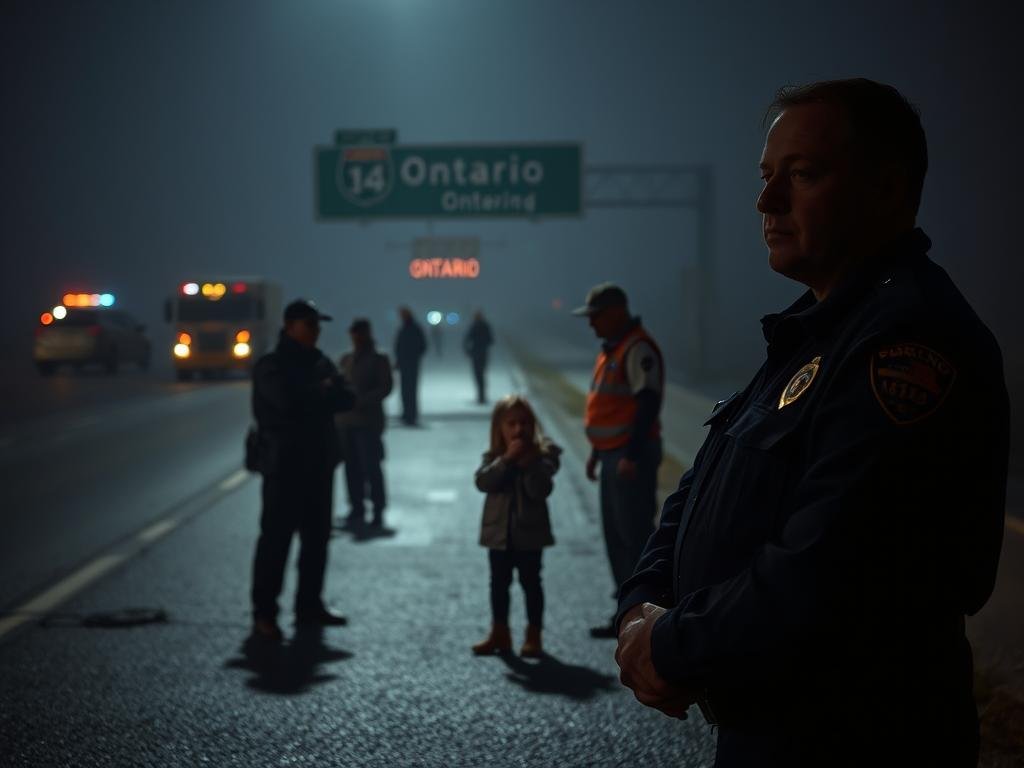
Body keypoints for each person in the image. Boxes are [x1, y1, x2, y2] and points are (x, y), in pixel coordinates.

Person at [614, 79, 1009, 768]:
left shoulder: (907, 343)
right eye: (768, 178)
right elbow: (704, 483)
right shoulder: (816, 330)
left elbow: (827, 568)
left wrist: (670, 644)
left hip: (854, 736)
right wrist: (642, 600)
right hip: (770, 725)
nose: (767, 202)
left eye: (802, 175)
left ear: (887, 190)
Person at [249, 299, 355, 643]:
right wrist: (321, 392)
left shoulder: (319, 361)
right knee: (276, 543)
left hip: (319, 465)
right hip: (284, 467)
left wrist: (321, 392)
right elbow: (287, 404)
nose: (316, 330)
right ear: (290, 325)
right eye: (310, 324)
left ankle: (309, 606)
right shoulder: (272, 365)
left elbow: (346, 398)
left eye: (317, 324)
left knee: (317, 541)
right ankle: (264, 615)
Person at [573, 283, 664, 639]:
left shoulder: (637, 348)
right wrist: (597, 451)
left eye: (595, 317)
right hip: (613, 454)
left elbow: (647, 404)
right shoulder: (612, 349)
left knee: (635, 535)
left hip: (630, 458)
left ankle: (647, 613)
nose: (591, 324)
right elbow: (611, 407)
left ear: (615, 312)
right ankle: (625, 613)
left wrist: (631, 454)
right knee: (616, 535)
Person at [471, 395, 561, 657]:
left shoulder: (542, 458)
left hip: (529, 535)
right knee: (498, 584)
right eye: (511, 423)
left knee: (531, 582)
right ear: (499, 427)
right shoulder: (494, 456)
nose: (518, 429)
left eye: (523, 423)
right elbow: (483, 482)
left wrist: (529, 465)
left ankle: (534, 635)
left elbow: (540, 490)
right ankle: (500, 632)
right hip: (498, 534)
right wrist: (507, 460)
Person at [336, 318, 393, 533]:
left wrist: (362, 400)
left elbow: (385, 387)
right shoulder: (346, 359)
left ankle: (377, 509)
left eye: (359, 333)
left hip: (367, 422)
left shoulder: (379, 359)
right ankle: (356, 508)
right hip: (346, 423)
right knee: (351, 469)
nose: (356, 338)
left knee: (372, 468)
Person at [393, 306, 427, 425]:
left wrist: (411, 357)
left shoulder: (411, 328)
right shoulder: (410, 328)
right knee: (406, 390)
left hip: (410, 363)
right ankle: (408, 413)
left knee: (409, 390)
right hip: (407, 363)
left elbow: (421, 346)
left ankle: (410, 414)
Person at [463, 311, 494, 404]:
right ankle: (482, 396)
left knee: (478, 375)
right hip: (483, 353)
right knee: (482, 374)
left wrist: (468, 351)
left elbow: (466, 340)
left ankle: (481, 396)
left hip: (475, 353)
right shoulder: (486, 326)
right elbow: (491, 340)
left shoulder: (474, 327)